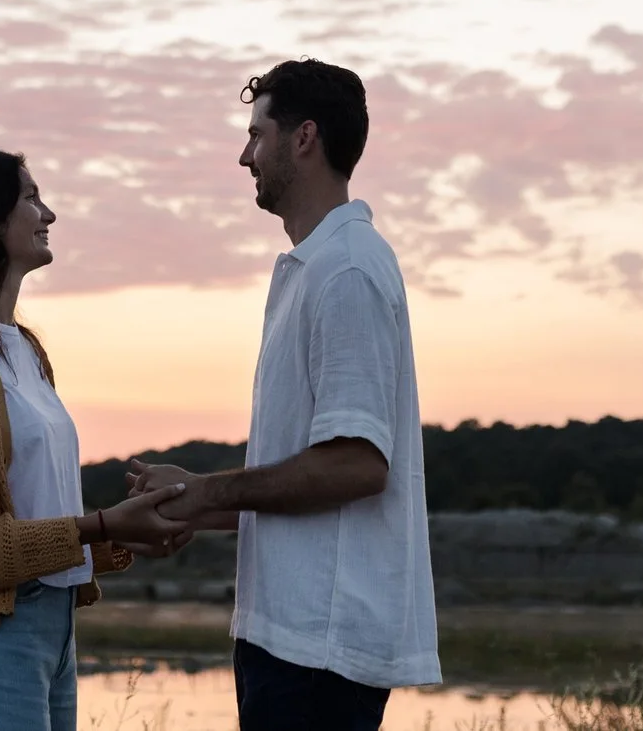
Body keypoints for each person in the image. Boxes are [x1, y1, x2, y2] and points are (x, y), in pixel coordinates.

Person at [128, 59, 439, 731]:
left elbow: (357, 465)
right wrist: (195, 502)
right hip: (291, 641)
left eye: (256, 135)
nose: (245, 156)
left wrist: (209, 491)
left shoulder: (346, 269)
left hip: (318, 650)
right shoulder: (313, 267)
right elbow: (314, 487)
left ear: (304, 137)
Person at [0, 147, 191, 731]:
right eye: (30, 198)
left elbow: (35, 518)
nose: (48, 214)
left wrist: (123, 533)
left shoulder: (24, 349)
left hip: (53, 632)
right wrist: (103, 524)